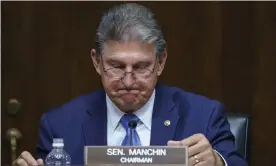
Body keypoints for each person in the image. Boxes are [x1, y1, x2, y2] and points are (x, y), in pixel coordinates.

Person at [15, 3, 248, 166]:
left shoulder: (202, 116)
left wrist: (218, 162)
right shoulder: (60, 126)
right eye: (116, 66)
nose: (128, 81)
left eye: (140, 67)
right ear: (96, 62)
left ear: (160, 62)